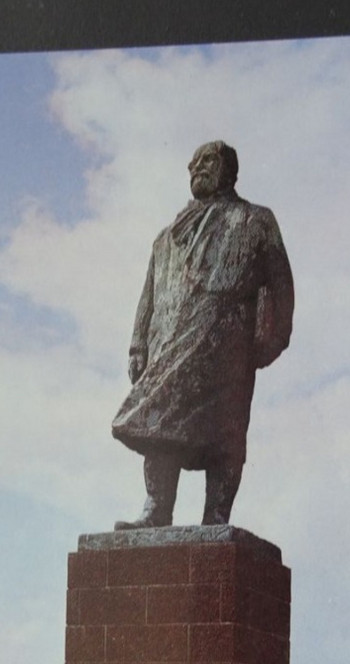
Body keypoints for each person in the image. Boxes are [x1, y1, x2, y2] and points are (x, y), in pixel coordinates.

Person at [112, 140, 294, 528]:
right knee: (157, 423)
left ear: (229, 169)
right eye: (193, 163)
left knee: (225, 436)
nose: (197, 167)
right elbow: (150, 292)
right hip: (169, 345)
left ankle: (216, 515)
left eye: (207, 161)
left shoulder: (255, 221)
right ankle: (156, 508)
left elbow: (281, 283)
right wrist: (137, 345)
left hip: (226, 348)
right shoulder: (166, 238)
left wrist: (272, 338)